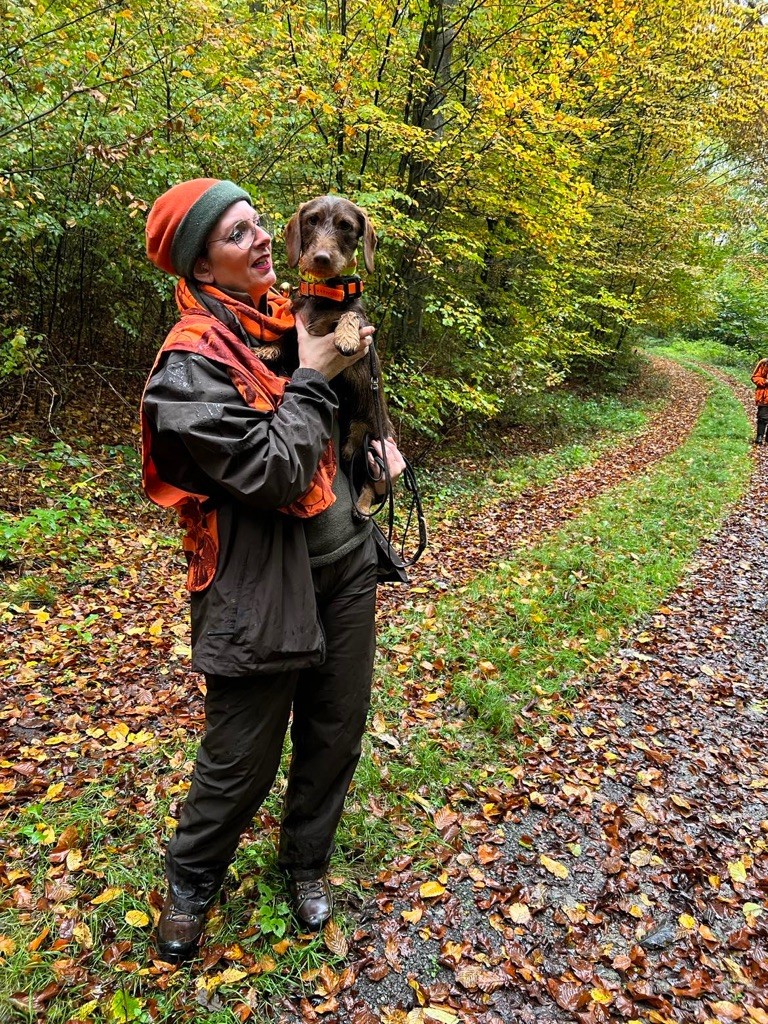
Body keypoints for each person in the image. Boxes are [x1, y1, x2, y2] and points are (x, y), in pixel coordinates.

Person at [140, 178, 406, 964]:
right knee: (240, 751)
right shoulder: (189, 368)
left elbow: (346, 418)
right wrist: (316, 374)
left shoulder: (298, 319)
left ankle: (304, 864)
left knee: (335, 728)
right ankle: (191, 887)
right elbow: (275, 471)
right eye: (235, 234)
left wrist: (376, 456)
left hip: (344, 560)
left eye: (259, 223)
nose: (261, 239)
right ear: (200, 265)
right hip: (259, 585)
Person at [752, 358, 768, 444]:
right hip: (764, 395)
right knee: (763, 417)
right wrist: (765, 381)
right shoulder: (764, 363)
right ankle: (760, 436)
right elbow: (755, 377)